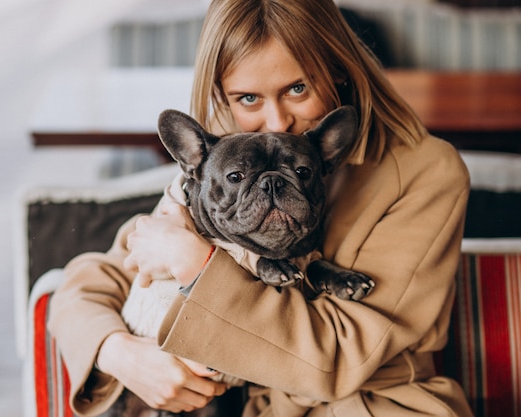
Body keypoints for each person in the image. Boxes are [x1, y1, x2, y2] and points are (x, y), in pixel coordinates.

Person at [48, 0, 474, 416]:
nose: (276, 121)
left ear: (339, 69)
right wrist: (119, 352)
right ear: (222, 95)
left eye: (297, 88)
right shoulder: (221, 171)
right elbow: (86, 286)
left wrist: (199, 266)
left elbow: (341, 359)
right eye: (248, 98)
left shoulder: (425, 172)